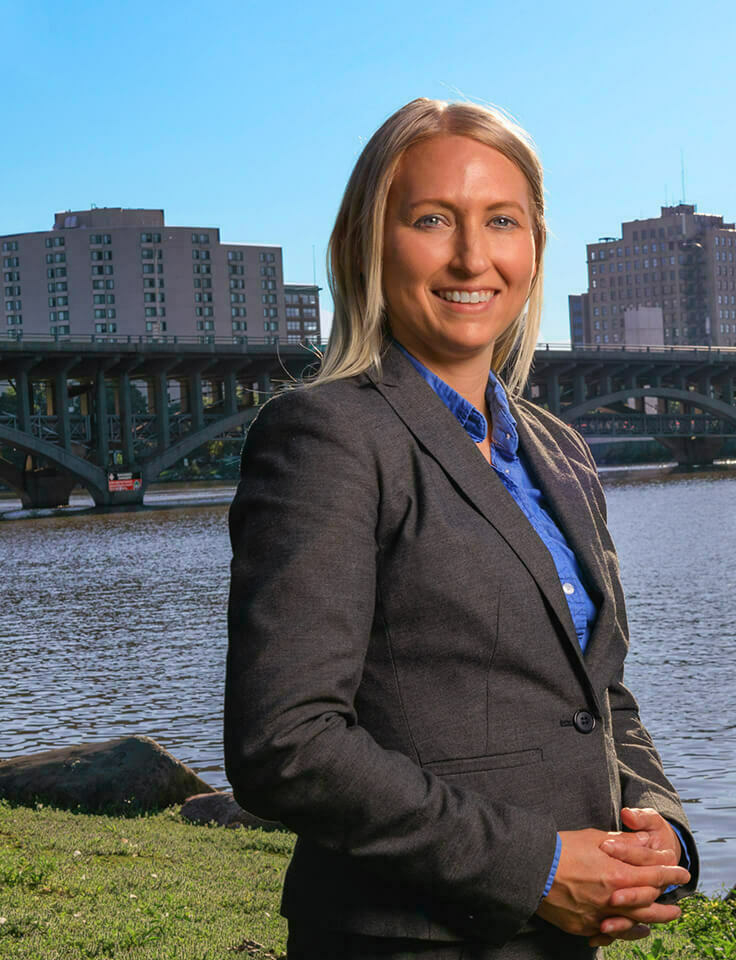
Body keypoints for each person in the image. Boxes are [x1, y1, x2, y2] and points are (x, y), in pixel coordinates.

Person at [224, 97, 698, 960]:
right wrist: (539, 868)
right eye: (433, 219)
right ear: (369, 243)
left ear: (534, 250)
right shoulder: (327, 435)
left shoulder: (559, 451)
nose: (472, 257)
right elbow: (284, 743)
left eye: (502, 222)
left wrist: (661, 825)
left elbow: (597, 695)